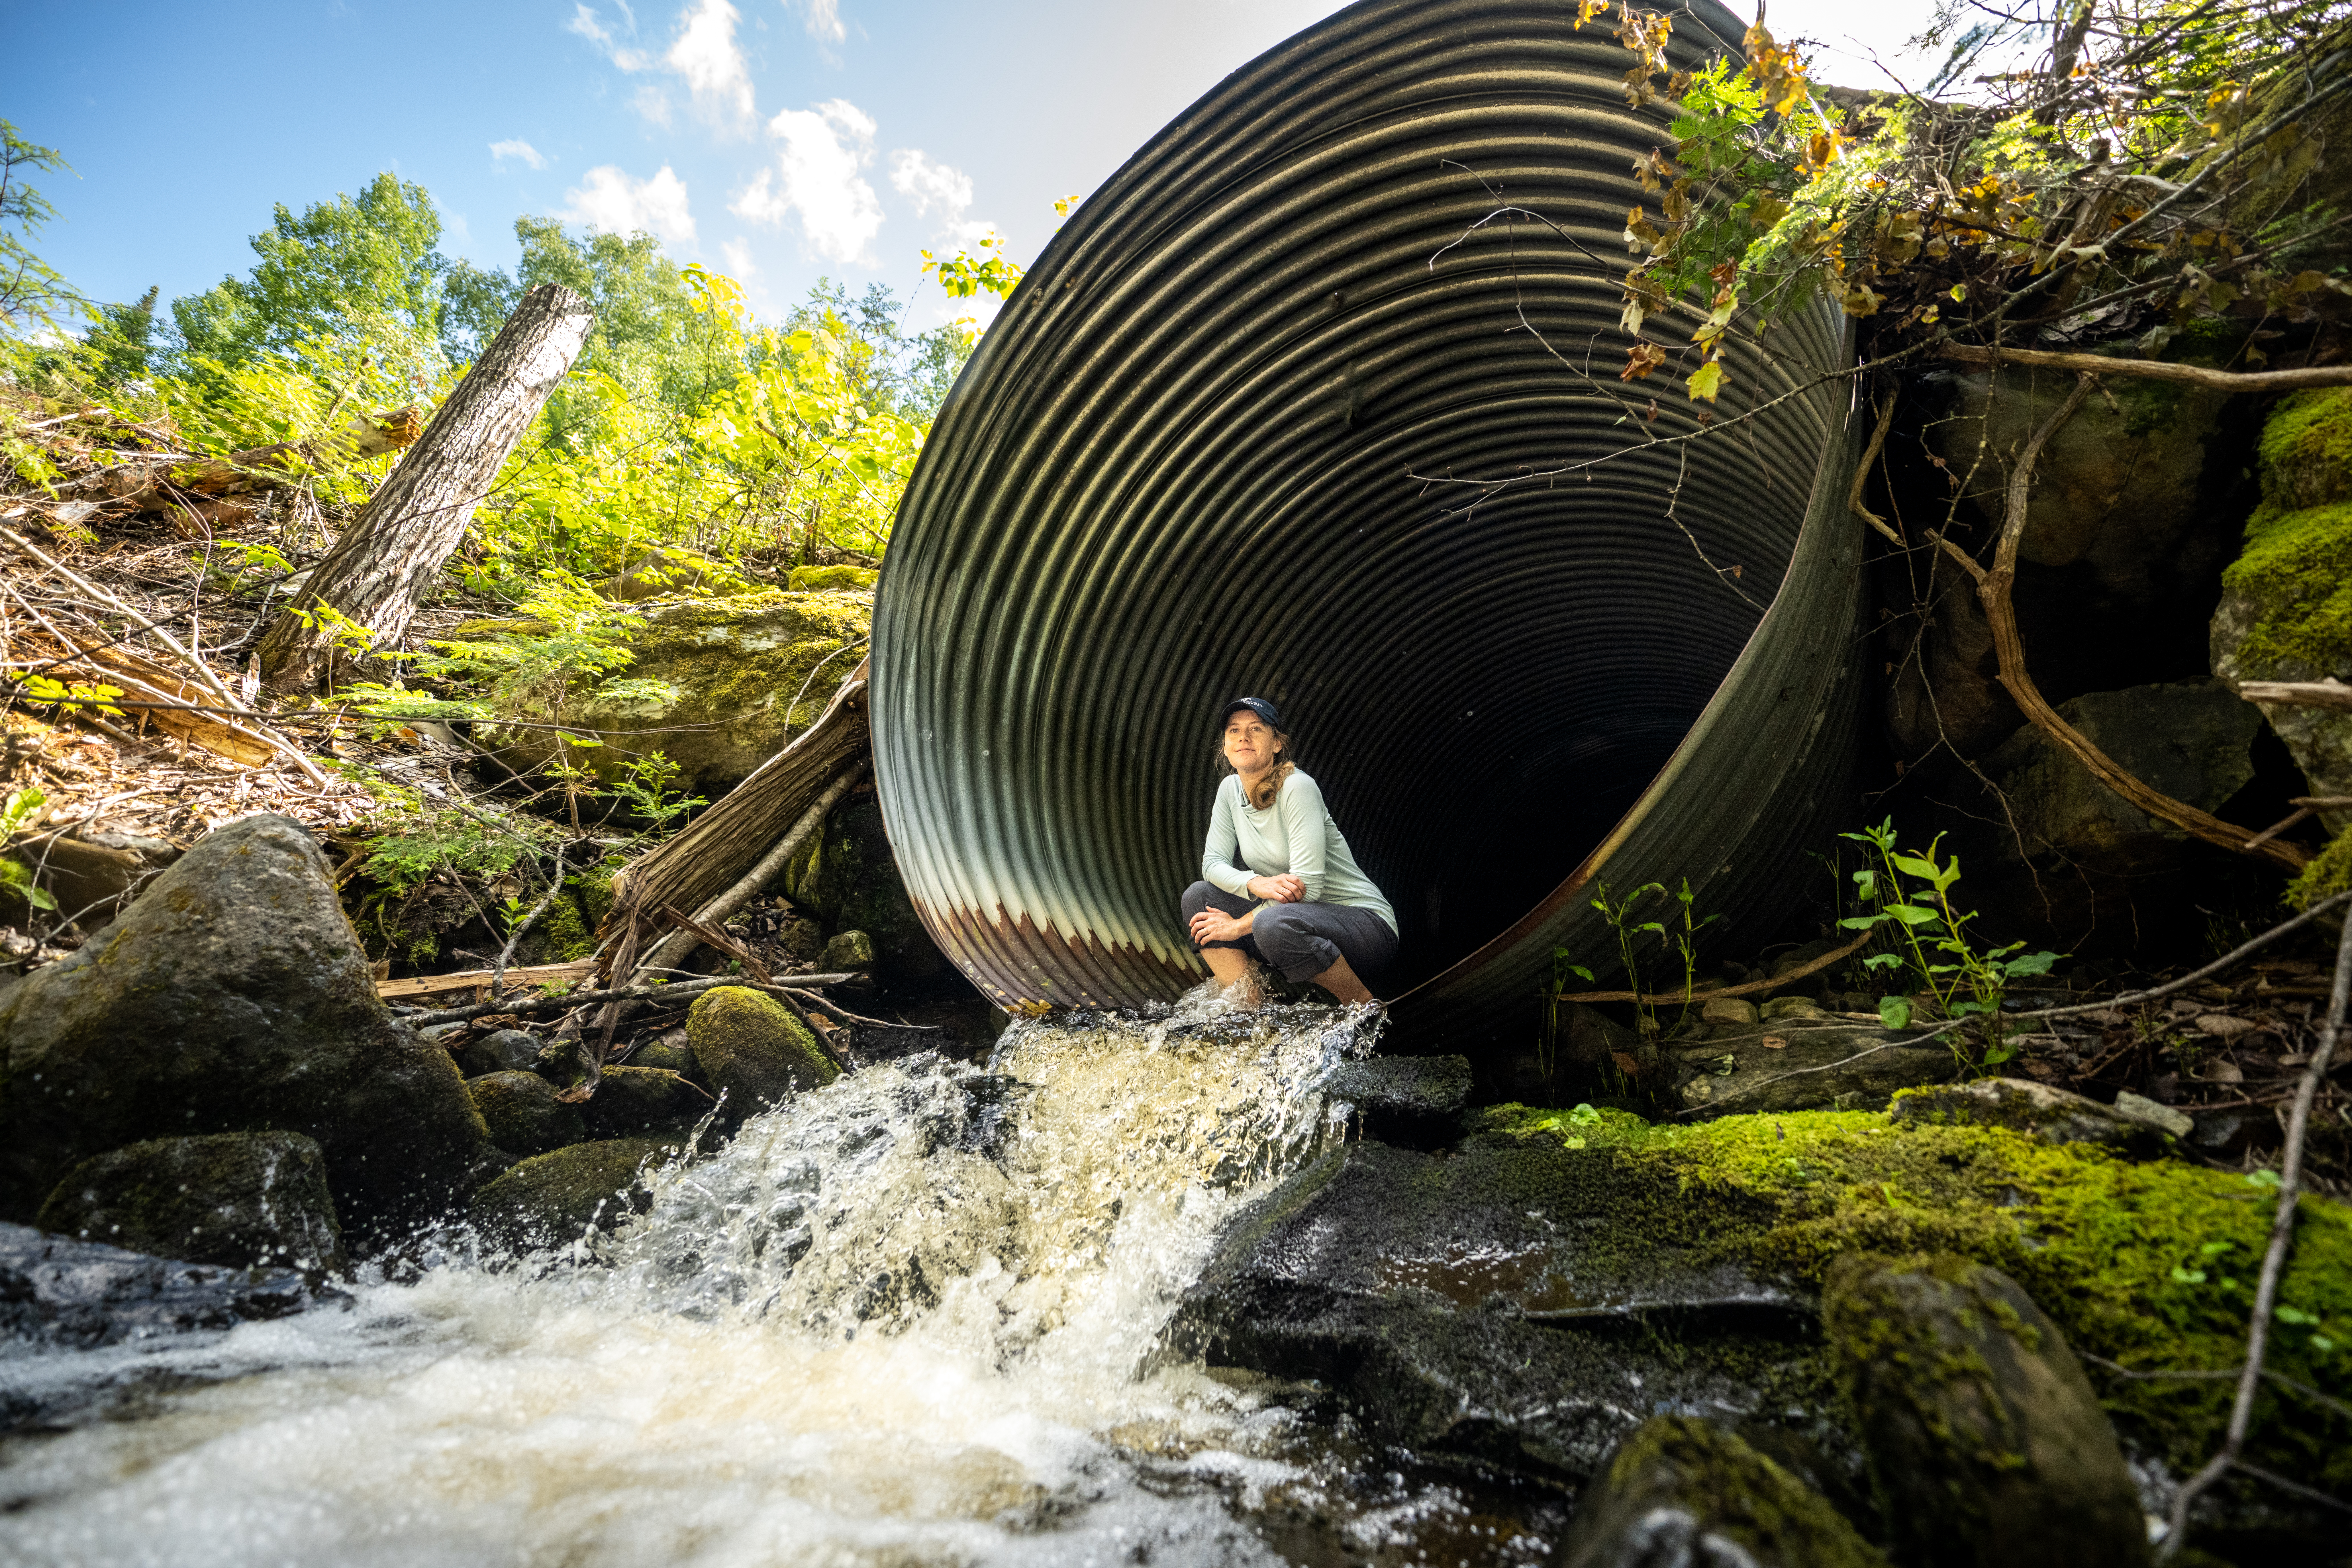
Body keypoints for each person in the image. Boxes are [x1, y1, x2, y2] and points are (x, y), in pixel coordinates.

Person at [1181, 696, 1398, 1005]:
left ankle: (1364, 1008)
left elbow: (1308, 887)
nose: (1243, 737)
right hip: (1290, 919)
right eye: (1234, 731)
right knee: (1198, 897)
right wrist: (1254, 882)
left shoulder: (1298, 787)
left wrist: (1238, 926)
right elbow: (1212, 863)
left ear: (1277, 745)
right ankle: (1251, 1014)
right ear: (1226, 748)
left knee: (1272, 923)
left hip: (1365, 928)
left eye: (1256, 729)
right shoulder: (1230, 790)